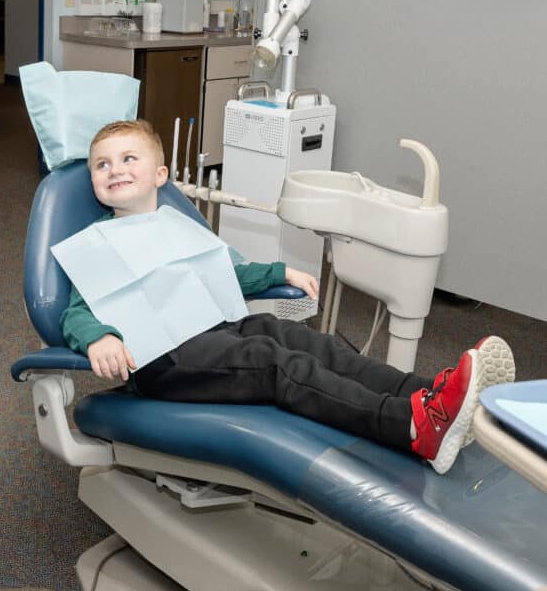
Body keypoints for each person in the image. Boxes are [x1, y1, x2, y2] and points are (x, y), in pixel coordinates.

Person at [60, 119, 516, 475]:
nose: (115, 169)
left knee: (310, 341)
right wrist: (99, 338)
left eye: (127, 158)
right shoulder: (97, 244)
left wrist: (280, 272)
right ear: (94, 181)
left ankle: (426, 395)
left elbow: (226, 272)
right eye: (102, 164)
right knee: (275, 363)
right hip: (164, 360)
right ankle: (413, 427)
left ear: (161, 174)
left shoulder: (175, 225)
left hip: (216, 329)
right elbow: (76, 312)